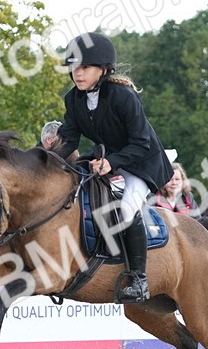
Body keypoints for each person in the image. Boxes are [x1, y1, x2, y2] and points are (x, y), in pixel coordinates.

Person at [51, 32, 173, 303]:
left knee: (127, 209)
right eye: (74, 68)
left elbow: (141, 142)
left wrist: (111, 163)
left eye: (84, 67)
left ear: (103, 69)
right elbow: (69, 139)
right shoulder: (73, 99)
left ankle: (139, 278)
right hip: (108, 158)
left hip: (144, 163)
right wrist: (43, 160)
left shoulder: (122, 96)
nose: (77, 73)